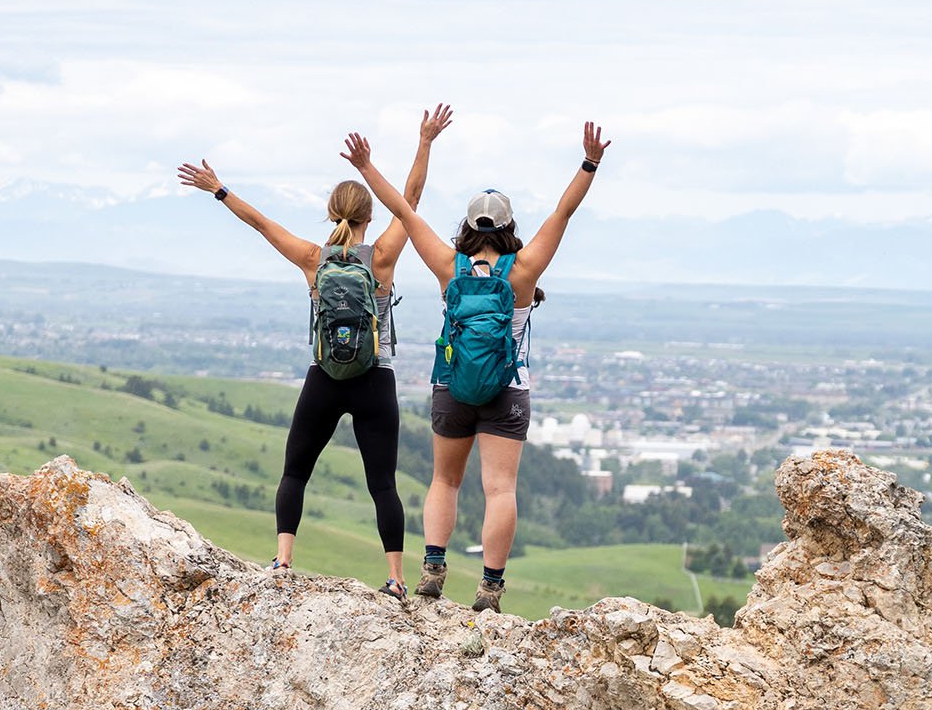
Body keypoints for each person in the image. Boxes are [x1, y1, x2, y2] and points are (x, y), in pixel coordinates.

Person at [176, 105, 452, 597]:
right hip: (376, 377)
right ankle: (395, 578)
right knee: (382, 485)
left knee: (295, 471)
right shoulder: (383, 257)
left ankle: (283, 563)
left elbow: (260, 223)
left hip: (323, 377)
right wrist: (425, 141)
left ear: (331, 215)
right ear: (369, 216)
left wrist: (217, 189)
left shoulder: (312, 258)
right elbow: (409, 198)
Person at [341, 121, 611, 611]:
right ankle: (489, 587)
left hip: (452, 385)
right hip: (508, 388)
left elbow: (403, 209)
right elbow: (563, 212)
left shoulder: (450, 265)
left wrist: (365, 166)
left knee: (445, 480)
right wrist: (589, 162)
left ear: (467, 227)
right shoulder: (525, 269)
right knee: (500, 488)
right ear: (508, 228)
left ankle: (433, 571)